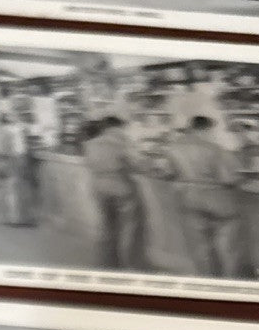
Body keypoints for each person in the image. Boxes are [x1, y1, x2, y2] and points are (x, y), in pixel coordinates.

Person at [163, 116, 246, 279]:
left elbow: (167, 173)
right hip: (217, 202)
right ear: (206, 129)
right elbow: (230, 179)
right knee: (227, 248)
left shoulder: (173, 149)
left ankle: (208, 281)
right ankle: (231, 282)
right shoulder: (216, 149)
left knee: (201, 248)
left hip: (188, 199)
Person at [81, 115, 144, 271]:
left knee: (106, 228)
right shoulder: (121, 144)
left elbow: (88, 163)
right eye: (121, 128)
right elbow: (137, 165)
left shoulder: (90, 144)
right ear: (115, 127)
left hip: (98, 188)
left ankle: (106, 264)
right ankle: (127, 266)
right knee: (127, 230)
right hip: (120, 188)